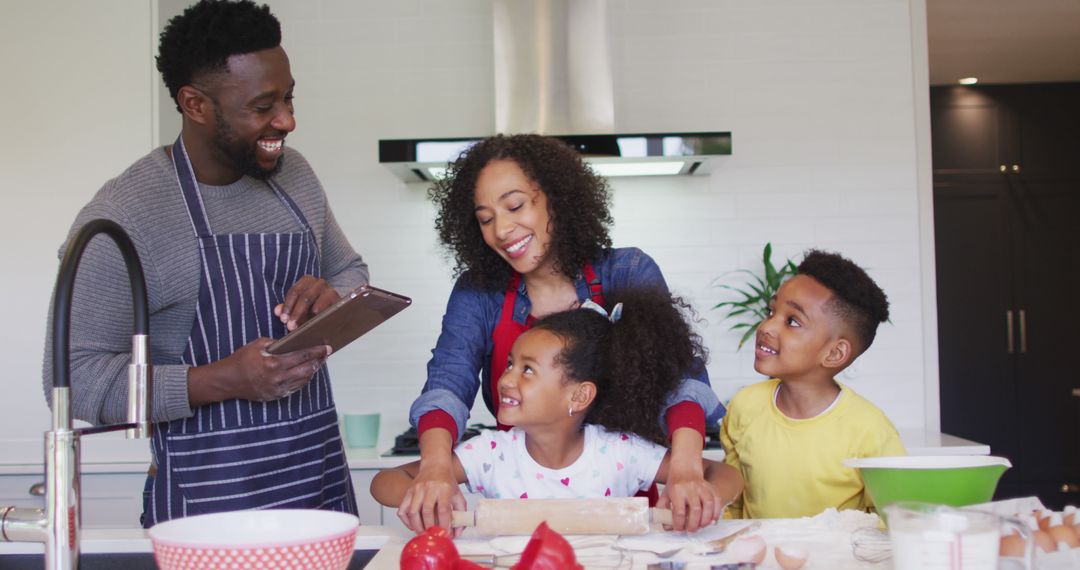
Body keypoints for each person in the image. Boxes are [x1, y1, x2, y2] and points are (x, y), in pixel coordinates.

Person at [41, 0, 368, 526]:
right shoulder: (126, 215)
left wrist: (333, 299)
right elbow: (75, 378)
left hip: (319, 486)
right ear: (195, 104)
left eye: (288, 97)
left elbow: (350, 270)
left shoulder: (295, 176)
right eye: (263, 106)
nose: (287, 120)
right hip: (206, 508)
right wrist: (225, 380)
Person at [404, 133, 726, 535]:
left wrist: (685, 467)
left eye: (515, 205)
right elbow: (448, 380)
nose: (502, 229)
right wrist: (435, 469)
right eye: (485, 219)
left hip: (625, 514)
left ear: (556, 197)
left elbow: (680, 379)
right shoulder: (479, 293)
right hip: (521, 514)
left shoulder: (625, 271)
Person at [373, 290, 743, 523]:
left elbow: (726, 477)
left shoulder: (618, 452)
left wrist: (699, 499)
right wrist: (426, 495)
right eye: (510, 364)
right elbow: (384, 482)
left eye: (528, 370)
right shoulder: (492, 454)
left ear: (579, 396)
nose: (506, 379)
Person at [720, 250, 906, 519]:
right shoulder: (744, 406)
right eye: (771, 311)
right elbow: (734, 506)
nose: (767, 327)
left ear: (834, 353)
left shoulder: (871, 431)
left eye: (792, 321)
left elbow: (892, 521)